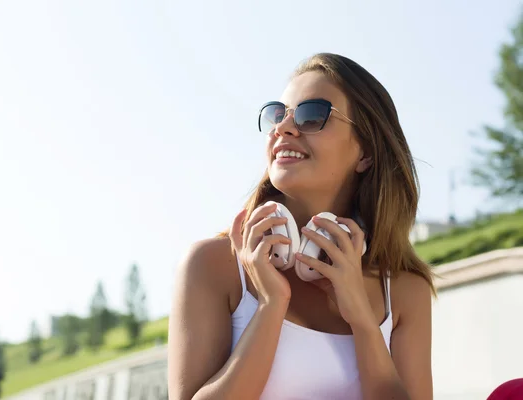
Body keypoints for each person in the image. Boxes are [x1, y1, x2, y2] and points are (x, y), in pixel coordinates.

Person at [167, 52, 435, 400]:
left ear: (366, 152)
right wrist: (271, 304)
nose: (283, 128)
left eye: (311, 115)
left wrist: (363, 321)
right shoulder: (212, 265)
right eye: (279, 114)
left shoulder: (403, 290)